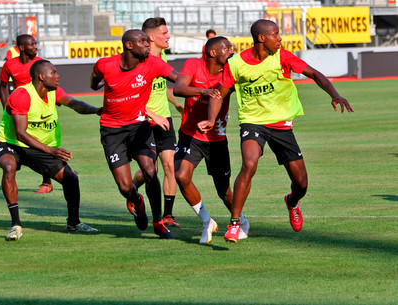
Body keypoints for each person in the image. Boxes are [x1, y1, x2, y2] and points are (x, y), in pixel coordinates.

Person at [198, 19, 354, 243]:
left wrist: (335, 95)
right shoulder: (237, 63)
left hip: (281, 125)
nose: (280, 38)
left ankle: (292, 201)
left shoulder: (283, 56)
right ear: (262, 38)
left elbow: (315, 74)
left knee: (301, 183)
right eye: (276, 34)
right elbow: (219, 94)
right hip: (253, 122)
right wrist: (211, 119)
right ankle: (234, 224)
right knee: (249, 165)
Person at [0, 60, 102, 241]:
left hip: (36, 147)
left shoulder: (54, 92)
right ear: (41, 77)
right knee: (9, 167)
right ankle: (16, 225)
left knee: (71, 179)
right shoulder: (22, 95)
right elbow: (20, 133)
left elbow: (74, 104)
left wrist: (97, 110)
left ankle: (74, 223)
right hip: (10, 143)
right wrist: (51, 151)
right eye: (54, 73)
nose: (58, 76)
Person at [90, 29, 178, 239]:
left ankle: (158, 222)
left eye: (148, 42)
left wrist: (200, 85)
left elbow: (177, 77)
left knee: (150, 171)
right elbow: (94, 80)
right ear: (129, 45)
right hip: (112, 131)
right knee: (124, 187)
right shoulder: (105, 64)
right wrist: (97, 84)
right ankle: (136, 200)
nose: (148, 45)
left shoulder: (153, 63)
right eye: (143, 42)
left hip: (139, 126)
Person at [173, 36, 249, 244]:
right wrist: (204, 91)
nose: (230, 51)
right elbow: (178, 89)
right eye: (226, 48)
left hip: (216, 139)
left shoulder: (230, 72)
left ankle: (241, 221)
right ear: (212, 53)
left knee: (223, 191)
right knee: (181, 176)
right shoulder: (193, 65)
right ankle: (207, 221)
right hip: (190, 134)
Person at [130, 17, 184, 228]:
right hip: (145, 121)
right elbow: (130, 97)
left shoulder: (162, 57)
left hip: (166, 120)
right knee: (149, 171)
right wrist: (153, 115)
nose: (168, 36)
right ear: (152, 37)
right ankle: (131, 192)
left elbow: (164, 85)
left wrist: (177, 105)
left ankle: (167, 215)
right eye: (164, 33)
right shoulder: (138, 61)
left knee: (170, 166)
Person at [0, 34, 53, 194]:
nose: (35, 47)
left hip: (38, 110)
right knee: (17, 141)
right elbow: (2, 86)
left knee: (41, 142)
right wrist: (5, 107)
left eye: (36, 44)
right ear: (21, 48)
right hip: (19, 110)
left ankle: (47, 181)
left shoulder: (41, 64)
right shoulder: (9, 65)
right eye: (32, 44)